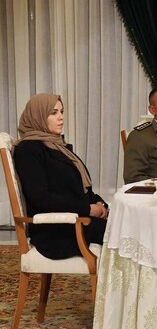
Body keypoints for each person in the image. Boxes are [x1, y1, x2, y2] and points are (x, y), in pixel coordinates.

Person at [13, 93, 108, 259]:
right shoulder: (28, 150)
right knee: (125, 232)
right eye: (53, 113)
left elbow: (79, 188)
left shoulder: (56, 146)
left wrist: (100, 203)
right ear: (38, 116)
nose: (61, 117)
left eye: (61, 112)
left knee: (127, 222)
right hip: (58, 230)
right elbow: (42, 199)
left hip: (75, 220)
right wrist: (88, 209)